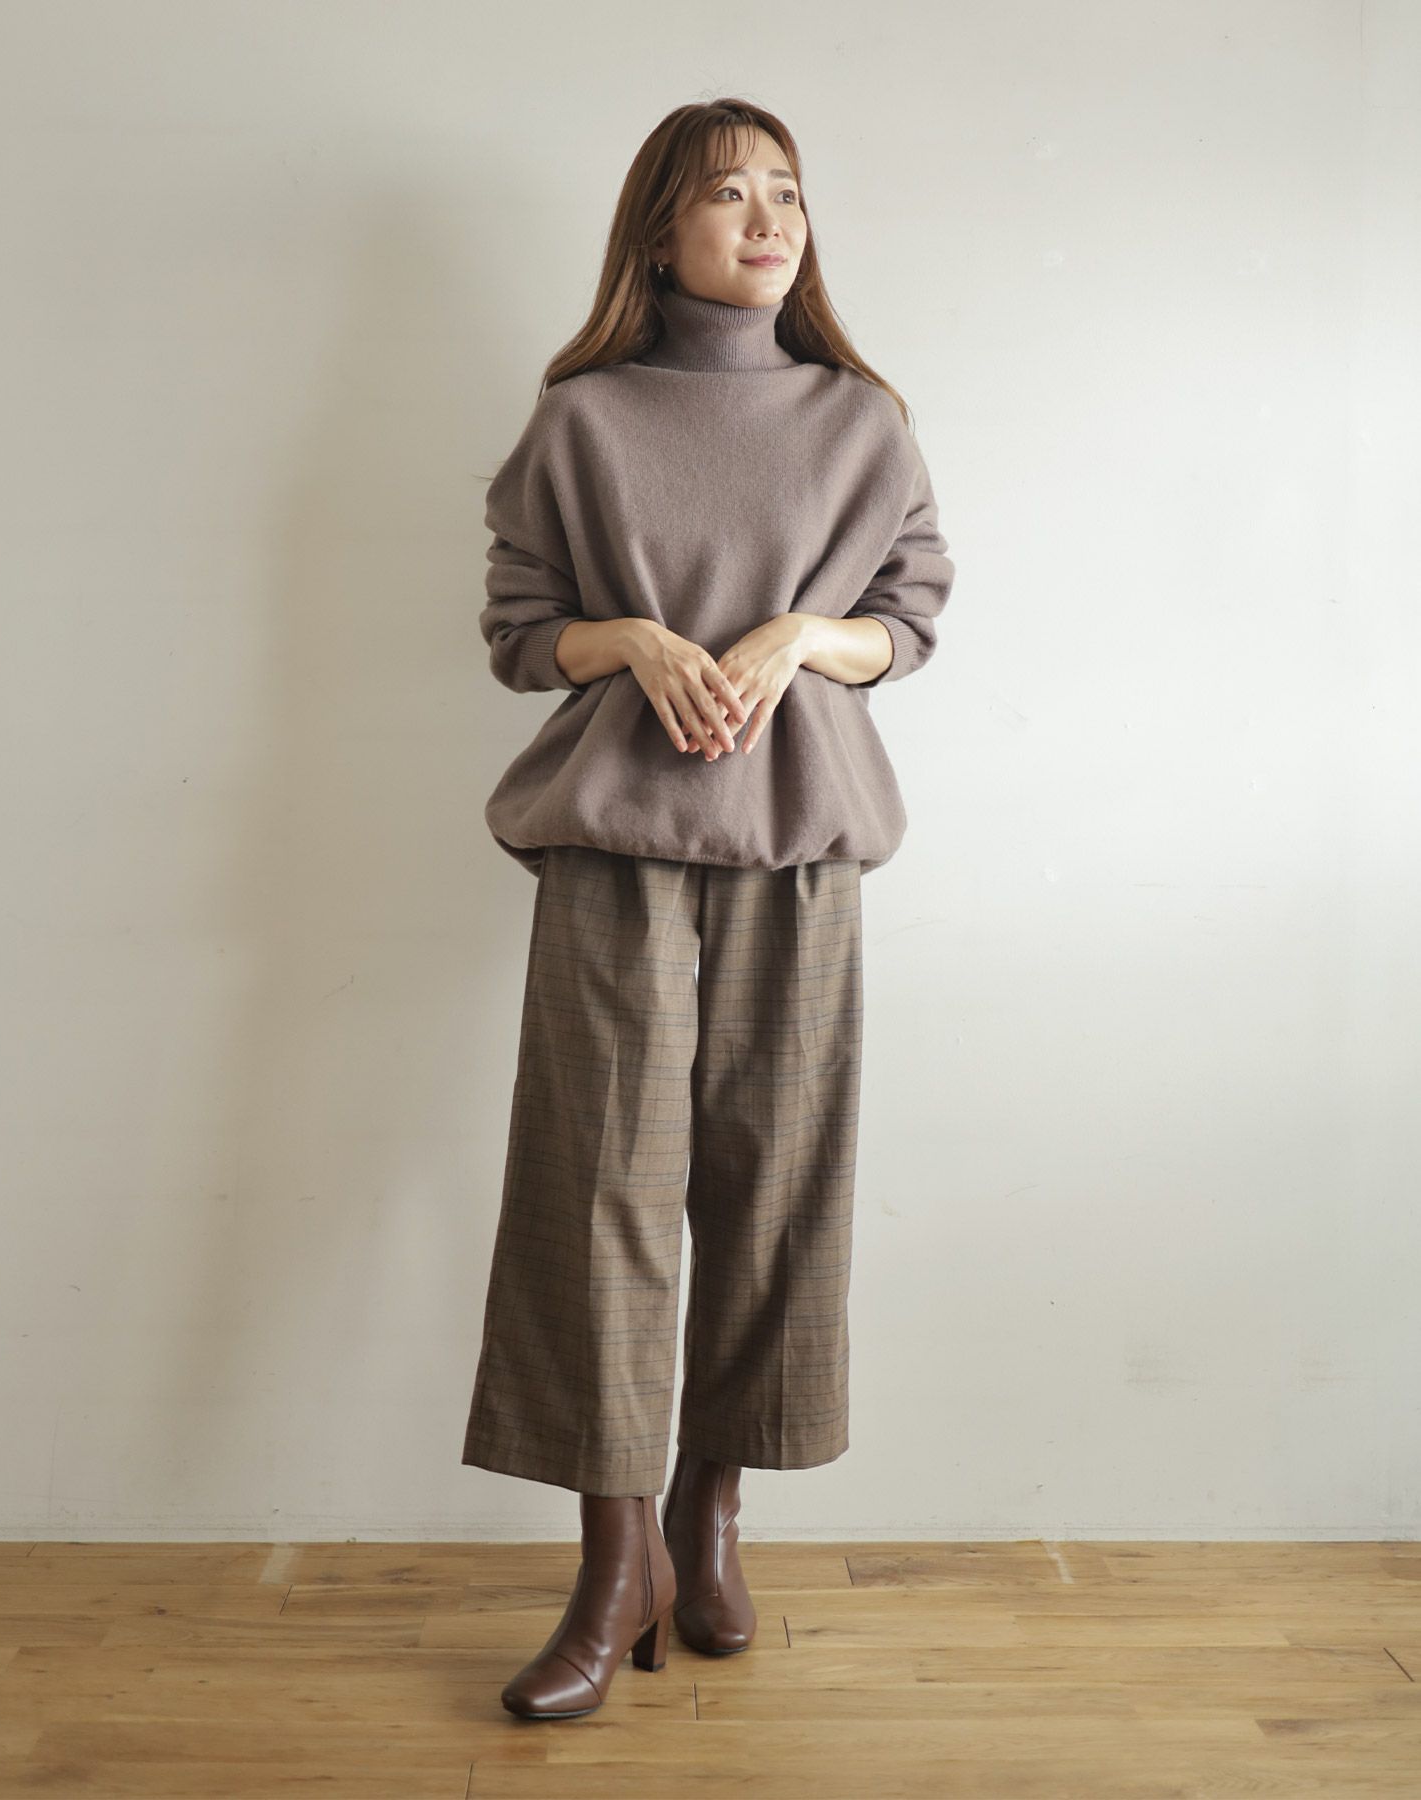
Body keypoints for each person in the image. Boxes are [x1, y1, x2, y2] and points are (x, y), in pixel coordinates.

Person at [460, 97, 956, 1721]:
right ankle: (615, 1562)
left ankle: (710, 1513)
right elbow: (520, 631)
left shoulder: (861, 420)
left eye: (788, 193)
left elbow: (911, 621)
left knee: (774, 1187)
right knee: (595, 1193)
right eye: (729, 194)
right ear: (658, 232)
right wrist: (634, 639)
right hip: (616, 846)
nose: (767, 220)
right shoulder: (584, 421)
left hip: (801, 846)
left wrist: (800, 636)